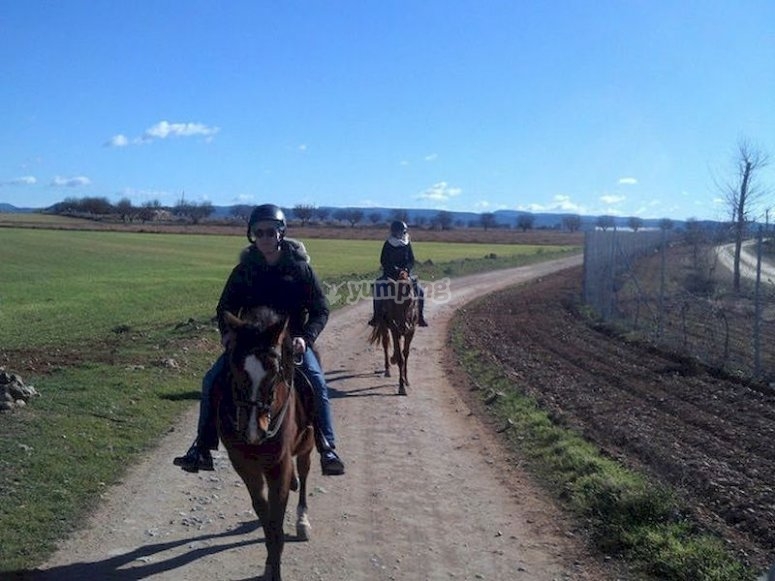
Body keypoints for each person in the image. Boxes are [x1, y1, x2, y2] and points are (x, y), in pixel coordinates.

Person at [174, 203, 345, 476]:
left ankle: (327, 446)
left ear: (281, 233)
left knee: (315, 381)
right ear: (252, 235)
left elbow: (320, 310)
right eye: (259, 232)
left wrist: (306, 338)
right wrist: (228, 333)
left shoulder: (301, 270)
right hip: (249, 343)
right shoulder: (243, 270)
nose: (265, 237)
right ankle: (202, 448)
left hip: (291, 343)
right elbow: (225, 308)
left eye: (270, 231)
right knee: (212, 380)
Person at [368, 220, 428, 327]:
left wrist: (406, 269)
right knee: (378, 287)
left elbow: (411, 260)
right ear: (393, 232)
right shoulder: (388, 243)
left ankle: (420, 317)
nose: (399, 233)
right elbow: (384, 260)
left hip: (405, 275)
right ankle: (376, 316)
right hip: (390, 275)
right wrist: (395, 269)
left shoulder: (407, 243)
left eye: (401, 231)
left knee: (420, 291)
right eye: (397, 231)